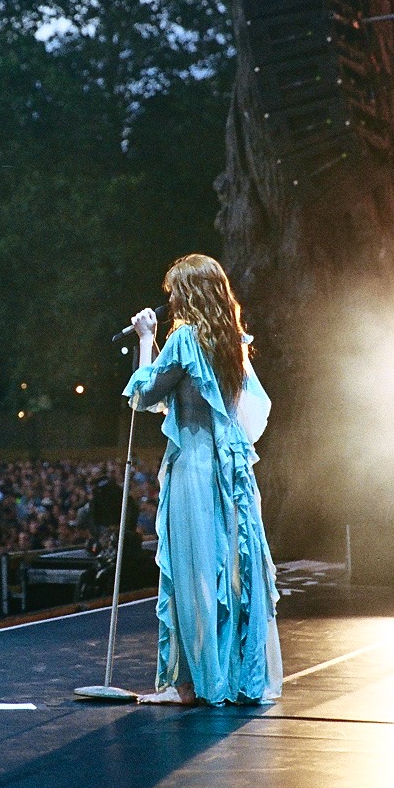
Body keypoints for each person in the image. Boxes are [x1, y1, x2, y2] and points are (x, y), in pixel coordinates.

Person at [124, 254, 283, 706]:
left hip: (195, 468)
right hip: (229, 468)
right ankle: (230, 675)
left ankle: (191, 684)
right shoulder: (232, 342)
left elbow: (145, 393)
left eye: (175, 291)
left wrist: (145, 339)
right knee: (230, 569)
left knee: (196, 570)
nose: (169, 300)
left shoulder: (184, 340)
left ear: (189, 293)